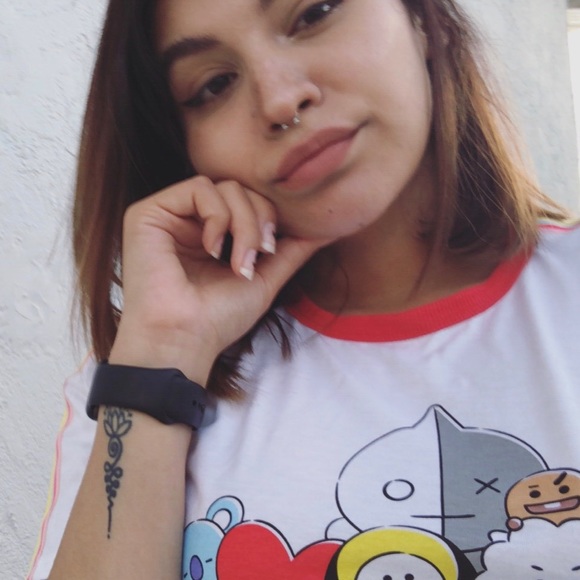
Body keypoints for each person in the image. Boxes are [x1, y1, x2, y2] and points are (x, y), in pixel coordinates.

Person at [29, 0, 580, 578]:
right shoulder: (141, 374)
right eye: (214, 85)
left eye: (313, 14)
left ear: (422, 19)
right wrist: (166, 349)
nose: (279, 99)